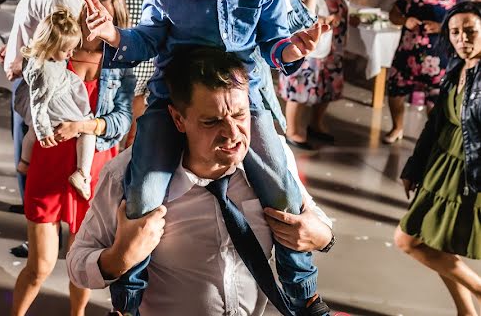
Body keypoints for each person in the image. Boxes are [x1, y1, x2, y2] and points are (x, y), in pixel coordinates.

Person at [84, 0, 331, 316]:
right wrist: (113, 34)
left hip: (247, 97)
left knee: (284, 183)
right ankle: (128, 301)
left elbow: (276, 44)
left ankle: (304, 294)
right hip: (173, 98)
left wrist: (296, 47)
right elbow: (149, 39)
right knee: (144, 189)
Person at [67, 46, 334, 316]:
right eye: (212, 121)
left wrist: (322, 236)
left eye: (240, 115)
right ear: (178, 118)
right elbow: (77, 265)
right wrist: (119, 257)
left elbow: (318, 222)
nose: (232, 134)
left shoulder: (273, 162)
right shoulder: (125, 176)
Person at [11, 0, 135, 316]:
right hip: (49, 158)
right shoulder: (59, 42)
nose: (94, 18)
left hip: (92, 167)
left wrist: (81, 127)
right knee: (40, 266)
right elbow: (25, 98)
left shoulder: (120, 61)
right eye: (91, 8)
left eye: (103, 13)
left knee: (81, 263)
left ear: (114, 17)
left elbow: (122, 120)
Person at [397, 1, 481, 316]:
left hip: (470, 168)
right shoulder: (457, 67)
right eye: (455, 32)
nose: (462, 38)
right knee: (435, 245)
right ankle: (466, 312)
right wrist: (413, 167)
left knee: (408, 240)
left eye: (470, 30)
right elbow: (436, 124)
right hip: (441, 165)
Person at [2, 0, 84, 202]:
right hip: (25, 77)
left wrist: (23, 60)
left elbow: (63, 44)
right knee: (22, 155)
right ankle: (29, 216)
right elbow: (36, 33)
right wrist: (13, 51)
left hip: (39, 87)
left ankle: (34, 229)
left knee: (33, 160)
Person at [384, 0, 463, 144]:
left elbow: (461, 23)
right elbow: (393, 14)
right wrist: (405, 21)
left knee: (435, 99)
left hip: (438, 58)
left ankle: (432, 138)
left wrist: (440, 27)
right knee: (396, 91)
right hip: (407, 53)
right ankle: (397, 128)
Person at [19, 10, 96, 199]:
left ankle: (24, 161)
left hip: (55, 90)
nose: (70, 54)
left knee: (30, 129)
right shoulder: (45, 72)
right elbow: (39, 105)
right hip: (56, 103)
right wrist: (44, 131)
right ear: (49, 45)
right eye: (66, 50)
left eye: (72, 49)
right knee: (87, 128)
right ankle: (82, 173)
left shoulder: (37, 57)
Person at [279, 0, 348, 149]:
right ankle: (291, 130)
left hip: (333, 47)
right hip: (309, 46)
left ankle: (316, 124)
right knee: (299, 88)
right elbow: (295, 11)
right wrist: (324, 19)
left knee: (325, 88)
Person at [112, 0, 156, 145]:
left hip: (148, 55)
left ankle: (128, 151)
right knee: (117, 103)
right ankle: (112, 147)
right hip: (121, 52)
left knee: (139, 106)